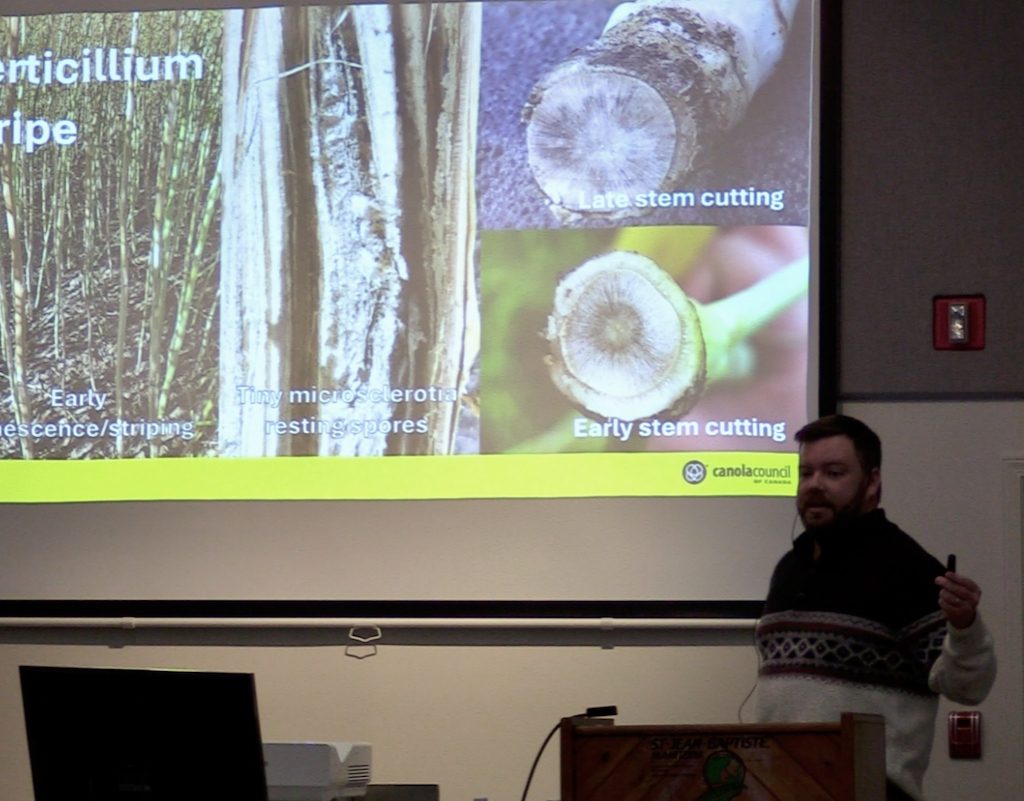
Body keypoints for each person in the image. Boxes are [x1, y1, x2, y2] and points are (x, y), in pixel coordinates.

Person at [754, 414, 996, 801]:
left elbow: (969, 687)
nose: (815, 485)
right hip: (781, 785)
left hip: (869, 790)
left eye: (833, 473)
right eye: (806, 473)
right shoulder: (789, 567)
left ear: (872, 482)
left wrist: (965, 625)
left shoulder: (907, 567)